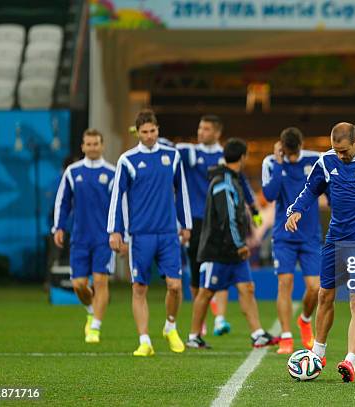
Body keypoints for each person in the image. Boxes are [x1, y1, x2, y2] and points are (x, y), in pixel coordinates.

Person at [285, 122, 355, 382]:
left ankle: (350, 361)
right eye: (336, 150)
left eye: (344, 151)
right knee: (324, 295)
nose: (340, 156)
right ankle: (318, 353)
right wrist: (296, 209)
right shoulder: (326, 161)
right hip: (335, 238)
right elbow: (310, 188)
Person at [108, 109, 192, 357]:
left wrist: (185, 224)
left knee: (175, 286)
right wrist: (115, 231)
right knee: (140, 288)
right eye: (144, 132)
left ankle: (170, 326)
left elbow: (182, 192)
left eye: (152, 131)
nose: (149, 136)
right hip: (140, 235)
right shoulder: (127, 160)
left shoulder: (172, 156)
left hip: (168, 233)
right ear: (138, 132)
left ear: (158, 130)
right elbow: (117, 197)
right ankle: (144, 340)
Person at [186, 138, 276, 349]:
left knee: (247, 288)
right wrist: (239, 244)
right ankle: (193, 336)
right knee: (206, 291)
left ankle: (257, 333)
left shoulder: (231, 179)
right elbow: (227, 218)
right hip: (218, 249)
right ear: (243, 157)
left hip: (232, 249)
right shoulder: (224, 183)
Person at [176, 115, 261, 336]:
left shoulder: (225, 157)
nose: (200, 132)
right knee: (197, 274)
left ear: (217, 132)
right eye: (199, 128)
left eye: (205, 129)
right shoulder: (189, 152)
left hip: (219, 222)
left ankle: (219, 319)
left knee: (219, 270)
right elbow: (164, 149)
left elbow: (242, 182)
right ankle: (201, 322)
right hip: (195, 222)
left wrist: (255, 211)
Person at [262, 127, 321, 354]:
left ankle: (305, 320)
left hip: (310, 236)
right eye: (289, 153)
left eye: (295, 152)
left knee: (315, 288)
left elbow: (328, 190)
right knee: (284, 284)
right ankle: (286, 336)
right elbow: (270, 195)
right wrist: (279, 163)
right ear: (282, 148)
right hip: (284, 236)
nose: (293, 157)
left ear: (302, 145)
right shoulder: (271, 162)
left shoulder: (315, 161)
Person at [52, 129, 115, 344]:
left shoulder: (112, 173)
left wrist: (121, 233)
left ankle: (95, 327)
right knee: (79, 284)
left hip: (103, 238)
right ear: (83, 147)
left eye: (96, 143)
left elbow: (121, 206)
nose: (92, 147)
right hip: (79, 237)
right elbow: (63, 202)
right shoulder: (73, 172)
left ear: (102, 145)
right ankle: (91, 309)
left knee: (100, 281)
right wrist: (58, 227)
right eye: (88, 144)